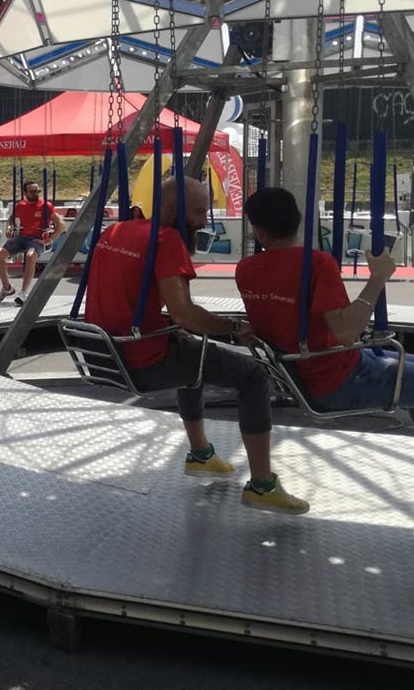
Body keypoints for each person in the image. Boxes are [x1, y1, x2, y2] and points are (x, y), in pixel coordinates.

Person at [85, 176, 307, 515]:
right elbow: (185, 313)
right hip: (141, 359)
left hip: (103, 352)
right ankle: (262, 485)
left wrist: (180, 325)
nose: (205, 221)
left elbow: (139, 302)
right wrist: (233, 328)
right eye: (200, 212)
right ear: (174, 209)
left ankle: (201, 452)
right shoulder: (167, 239)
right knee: (252, 376)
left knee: (192, 351)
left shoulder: (117, 231)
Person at [236, 186, 412, 415]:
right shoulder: (317, 264)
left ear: (259, 232)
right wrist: (378, 278)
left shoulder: (245, 269)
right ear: (299, 219)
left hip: (305, 372)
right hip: (337, 378)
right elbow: (346, 333)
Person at [0, 180, 65, 305]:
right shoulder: (20, 205)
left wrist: (50, 239)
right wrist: (9, 228)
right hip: (21, 237)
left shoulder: (46, 206)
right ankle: (6, 287)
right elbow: (11, 218)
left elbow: (61, 224)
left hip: (37, 239)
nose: (36, 194)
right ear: (25, 193)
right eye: (32, 192)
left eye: (37, 191)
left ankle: (24, 292)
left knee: (30, 256)